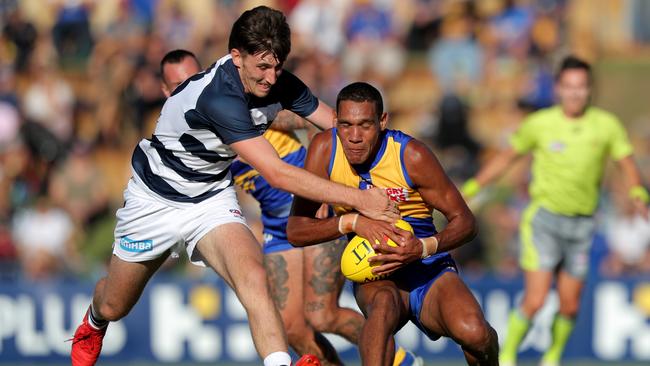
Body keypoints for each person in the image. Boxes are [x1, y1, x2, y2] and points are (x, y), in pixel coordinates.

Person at [69, 7, 399, 366]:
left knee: (253, 276)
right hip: (154, 201)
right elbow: (276, 172)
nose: (272, 78)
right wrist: (359, 198)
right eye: (262, 67)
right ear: (236, 57)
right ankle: (93, 321)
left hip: (209, 197)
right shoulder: (218, 97)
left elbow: (340, 128)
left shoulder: (278, 80)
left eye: (277, 66)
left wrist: (394, 161)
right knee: (115, 303)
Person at [161, 49, 421, 366]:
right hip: (276, 224)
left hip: (313, 209)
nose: (187, 86)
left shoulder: (238, 108)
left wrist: (333, 183)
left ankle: (400, 361)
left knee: (323, 314)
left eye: (192, 76)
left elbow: (308, 119)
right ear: (166, 92)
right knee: (291, 328)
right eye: (178, 83)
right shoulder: (178, 137)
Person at [287, 82, 499, 366]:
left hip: (426, 267)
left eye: (365, 125)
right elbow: (296, 230)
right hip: (377, 271)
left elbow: (466, 222)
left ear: (382, 121)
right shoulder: (325, 149)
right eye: (346, 125)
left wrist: (421, 248)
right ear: (335, 121)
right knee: (383, 306)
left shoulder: (411, 155)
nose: (354, 136)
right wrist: (351, 222)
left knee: (476, 335)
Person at [461, 55, 650, 366]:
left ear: (590, 90)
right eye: (569, 86)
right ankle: (506, 356)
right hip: (544, 220)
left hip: (583, 224)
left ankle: (552, 358)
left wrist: (637, 190)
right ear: (559, 89)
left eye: (581, 87)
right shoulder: (540, 124)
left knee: (570, 305)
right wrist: (471, 188)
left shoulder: (606, 125)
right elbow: (506, 157)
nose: (575, 93)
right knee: (535, 300)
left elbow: (626, 161)